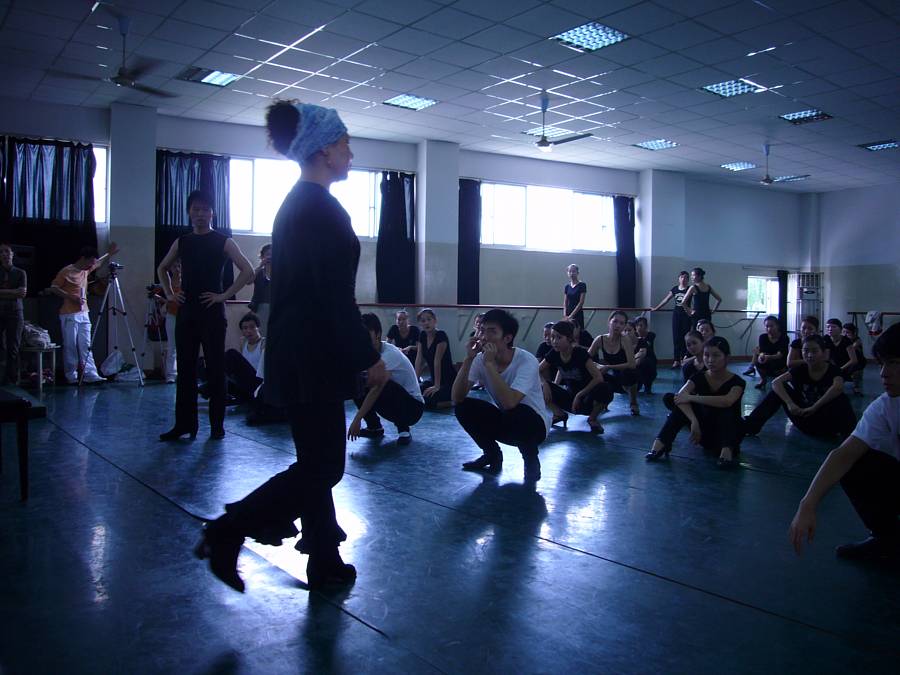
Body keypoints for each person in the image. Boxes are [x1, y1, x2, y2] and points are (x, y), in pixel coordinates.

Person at [194, 101, 388, 593]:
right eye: (344, 143)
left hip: (301, 353)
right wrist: (369, 358)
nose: (350, 152)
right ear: (323, 150)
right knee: (325, 466)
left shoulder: (300, 204)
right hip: (312, 356)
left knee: (313, 461)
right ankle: (229, 529)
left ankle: (323, 558)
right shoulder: (318, 210)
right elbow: (333, 296)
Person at [788, 323, 900, 562]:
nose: (883, 373)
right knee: (856, 464)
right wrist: (808, 503)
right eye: (882, 364)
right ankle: (885, 538)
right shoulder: (885, 406)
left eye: (894, 363)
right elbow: (842, 455)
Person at [157, 190, 254, 441]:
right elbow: (162, 268)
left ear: (213, 213)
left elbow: (248, 271)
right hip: (187, 312)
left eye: (205, 210)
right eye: (196, 209)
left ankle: (217, 425)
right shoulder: (183, 241)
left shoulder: (224, 241)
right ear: (189, 212)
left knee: (216, 368)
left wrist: (224, 295)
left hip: (212, 313)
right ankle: (184, 424)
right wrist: (170, 294)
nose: (200, 214)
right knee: (185, 370)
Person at [453, 309, 551, 482]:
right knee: (463, 407)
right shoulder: (480, 359)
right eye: (482, 330)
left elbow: (510, 402)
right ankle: (491, 454)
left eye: (492, 331)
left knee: (518, 411)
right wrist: (468, 359)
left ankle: (531, 461)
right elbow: (456, 397)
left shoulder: (526, 360)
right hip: (508, 422)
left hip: (534, 428)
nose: (484, 337)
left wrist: (490, 365)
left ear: (507, 338)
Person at [646, 336, 745, 467]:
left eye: (716, 355)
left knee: (726, 411)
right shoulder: (698, 377)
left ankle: (727, 452)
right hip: (703, 432)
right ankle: (661, 443)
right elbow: (680, 397)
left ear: (727, 358)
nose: (710, 360)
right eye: (706, 355)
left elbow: (727, 401)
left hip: (728, 435)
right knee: (679, 406)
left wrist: (692, 397)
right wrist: (693, 420)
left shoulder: (738, 382)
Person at [743, 334, 857, 439]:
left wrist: (814, 407)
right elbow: (776, 383)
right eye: (806, 351)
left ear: (823, 352)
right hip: (804, 418)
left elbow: (838, 387)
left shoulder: (833, 370)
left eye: (814, 351)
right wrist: (790, 403)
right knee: (778, 391)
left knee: (841, 398)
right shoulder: (800, 369)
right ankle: (749, 427)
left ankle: (852, 437)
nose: (810, 355)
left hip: (827, 424)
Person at [349, 313, 425, 446]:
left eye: (367, 333)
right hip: (395, 405)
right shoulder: (367, 353)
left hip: (413, 408)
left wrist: (357, 419)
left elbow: (376, 390)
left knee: (382, 382)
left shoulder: (389, 354)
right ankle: (374, 427)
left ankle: (403, 430)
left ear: (378, 334)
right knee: (357, 381)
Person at [49, 243, 119, 384]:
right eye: (89, 263)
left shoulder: (86, 270)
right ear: (83, 258)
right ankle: (71, 375)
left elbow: (98, 263)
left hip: (84, 312)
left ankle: (90, 374)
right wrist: (70, 297)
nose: (91, 266)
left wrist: (109, 253)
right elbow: (54, 287)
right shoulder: (67, 271)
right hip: (69, 314)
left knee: (86, 344)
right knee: (70, 345)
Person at [540, 320, 611, 433]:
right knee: (537, 384)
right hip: (570, 398)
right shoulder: (554, 353)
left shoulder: (580, 353)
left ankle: (592, 418)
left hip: (587, 399)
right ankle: (559, 414)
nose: (554, 341)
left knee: (605, 388)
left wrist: (579, 395)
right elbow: (536, 371)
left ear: (569, 338)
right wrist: (545, 384)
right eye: (552, 337)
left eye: (559, 337)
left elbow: (598, 378)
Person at [589, 310, 639, 415]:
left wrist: (608, 367)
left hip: (628, 378)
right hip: (613, 377)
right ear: (609, 322)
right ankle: (600, 402)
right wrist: (595, 366)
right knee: (594, 374)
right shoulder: (600, 339)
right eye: (615, 321)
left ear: (624, 326)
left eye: (621, 323)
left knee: (631, 373)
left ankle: (633, 403)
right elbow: (586, 358)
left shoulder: (625, 340)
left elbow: (632, 364)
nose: (618, 325)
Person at [415, 308, 455, 409]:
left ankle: (452, 402)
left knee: (431, 397)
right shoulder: (422, 335)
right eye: (423, 321)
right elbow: (419, 360)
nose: (426, 323)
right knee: (416, 393)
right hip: (433, 378)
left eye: (429, 319)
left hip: (448, 380)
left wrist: (437, 386)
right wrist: (414, 382)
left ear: (435, 320)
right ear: (420, 323)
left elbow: (437, 361)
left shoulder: (441, 335)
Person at [650, 271, 691, 368]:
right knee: (676, 337)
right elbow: (666, 299)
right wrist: (656, 308)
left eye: (685, 277)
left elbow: (698, 299)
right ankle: (676, 360)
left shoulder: (690, 289)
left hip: (686, 315)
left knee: (686, 337)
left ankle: (684, 359)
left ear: (688, 279)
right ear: (679, 278)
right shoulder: (675, 289)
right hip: (676, 315)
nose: (683, 279)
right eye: (681, 277)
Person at [223, 312, 265, 403]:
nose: (248, 331)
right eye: (245, 328)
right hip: (245, 386)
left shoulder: (264, 343)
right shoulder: (243, 343)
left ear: (258, 328)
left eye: (252, 327)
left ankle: (210, 386)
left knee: (232, 354)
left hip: (258, 385)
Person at [0, 244, 27, 385]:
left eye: (7, 251)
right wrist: (13, 292)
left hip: (15, 312)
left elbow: (22, 293)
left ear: (12, 254)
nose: (4, 254)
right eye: (1, 252)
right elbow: (17, 292)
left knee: (13, 346)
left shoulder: (20, 273)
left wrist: (3, 293)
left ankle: (11, 379)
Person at [662, 330, 705, 411]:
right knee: (668, 398)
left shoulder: (710, 364)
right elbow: (686, 391)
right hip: (692, 400)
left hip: (708, 400)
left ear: (702, 342)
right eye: (688, 345)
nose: (692, 347)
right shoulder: (687, 367)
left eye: (694, 343)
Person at [743, 315, 789, 389]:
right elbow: (762, 351)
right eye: (767, 326)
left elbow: (780, 355)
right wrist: (761, 356)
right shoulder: (763, 337)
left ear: (777, 326)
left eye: (771, 326)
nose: (769, 329)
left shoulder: (784, 337)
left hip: (779, 360)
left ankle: (780, 380)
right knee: (758, 361)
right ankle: (763, 380)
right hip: (767, 359)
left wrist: (768, 357)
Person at [161, 260, 182, 384]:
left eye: (179, 266)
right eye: (174, 266)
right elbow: (169, 300)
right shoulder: (167, 281)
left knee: (185, 345)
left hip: (184, 316)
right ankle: (171, 374)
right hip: (171, 315)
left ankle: (183, 372)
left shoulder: (186, 281)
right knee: (172, 346)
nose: (177, 269)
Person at [247, 243, 271, 333]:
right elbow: (248, 281)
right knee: (261, 332)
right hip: (259, 307)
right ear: (262, 256)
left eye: (273, 254)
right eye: (268, 254)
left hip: (276, 307)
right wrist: (260, 266)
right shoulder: (259, 272)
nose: (270, 257)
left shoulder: (280, 272)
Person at [633, 316, 657, 394]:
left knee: (646, 364)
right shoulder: (633, 336)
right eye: (637, 325)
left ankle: (648, 386)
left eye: (641, 325)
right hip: (636, 360)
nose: (639, 327)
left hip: (649, 360)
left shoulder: (651, 335)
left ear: (646, 326)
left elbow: (645, 346)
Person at [842, 322, 867, 395]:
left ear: (853, 333)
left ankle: (856, 387)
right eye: (843, 332)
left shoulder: (857, 341)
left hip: (858, 361)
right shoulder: (843, 339)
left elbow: (851, 349)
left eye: (847, 332)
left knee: (855, 370)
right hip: (847, 360)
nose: (845, 334)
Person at [563, 264, 587, 329]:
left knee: (578, 331)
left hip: (577, 313)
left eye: (573, 271)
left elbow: (581, 302)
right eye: (570, 271)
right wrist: (565, 315)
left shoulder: (582, 285)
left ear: (577, 273)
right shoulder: (567, 286)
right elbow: (565, 302)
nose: (571, 273)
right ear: (567, 273)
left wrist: (571, 316)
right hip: (568, 312)